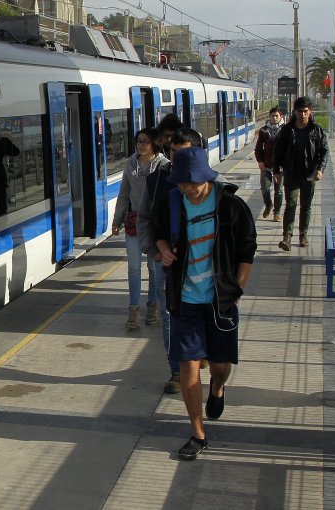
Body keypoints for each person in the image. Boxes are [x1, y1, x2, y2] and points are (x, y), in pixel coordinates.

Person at [151, 146, 257, 461]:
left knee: (220, 366)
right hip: (184, 299)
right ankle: (198, 433)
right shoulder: (171, 203)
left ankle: (218, 388)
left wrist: (238, 286)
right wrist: (163, 248)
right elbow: (156, 231)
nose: (186, 188)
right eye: (181, 182)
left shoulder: (231, 206)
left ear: (206, 178)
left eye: (192, 183)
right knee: (189, 366)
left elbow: (247, 247)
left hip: (220, 299)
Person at [137, 127, 203, 394]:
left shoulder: (215, 184)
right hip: (164, 263)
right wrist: (153, 250)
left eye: (184, 153)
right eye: (174, 153)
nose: (177, 159)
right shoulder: (156, 181)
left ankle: (199, 355)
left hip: (201, 265)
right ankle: (176, 370)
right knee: (168, 315)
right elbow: (144, 218)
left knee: (200, 312)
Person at [112, 127, 170, 330]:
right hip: (134, 222)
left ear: (154, 143)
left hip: (155, 225)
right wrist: (117, 220)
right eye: (139, 141)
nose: (141, 144)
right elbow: (124, 194)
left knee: (154, 268)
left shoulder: (164, 166)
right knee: (134, 268)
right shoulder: (130, 164)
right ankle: (133, 309)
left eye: (145, 141)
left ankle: (152, 305)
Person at [273, 96, 329, 251]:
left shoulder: (316, 129)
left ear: (310, 111)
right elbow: (278, 151)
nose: (302, 114)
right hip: (291, 173)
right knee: (290, 204)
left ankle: (303, 234)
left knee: (306, 206)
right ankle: (287, 237)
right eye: (299, 111)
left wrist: (320, 169)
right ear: (295, 112)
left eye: (305, 111)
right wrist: (276, 170)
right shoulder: (287, 130)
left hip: (309, 174)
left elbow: (324, 151)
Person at [254, 106, 285, 222]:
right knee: (264, 188)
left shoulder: (285, 129)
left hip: (280, 166)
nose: (274, 118)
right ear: (269, 117)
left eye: (277, 116)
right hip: (266, 165)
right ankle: (268, 204)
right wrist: (260, 161)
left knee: (278, 190)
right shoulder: (263, 130)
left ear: (280, 117)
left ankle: (277, 213)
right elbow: (258, 148)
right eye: (272, 116)